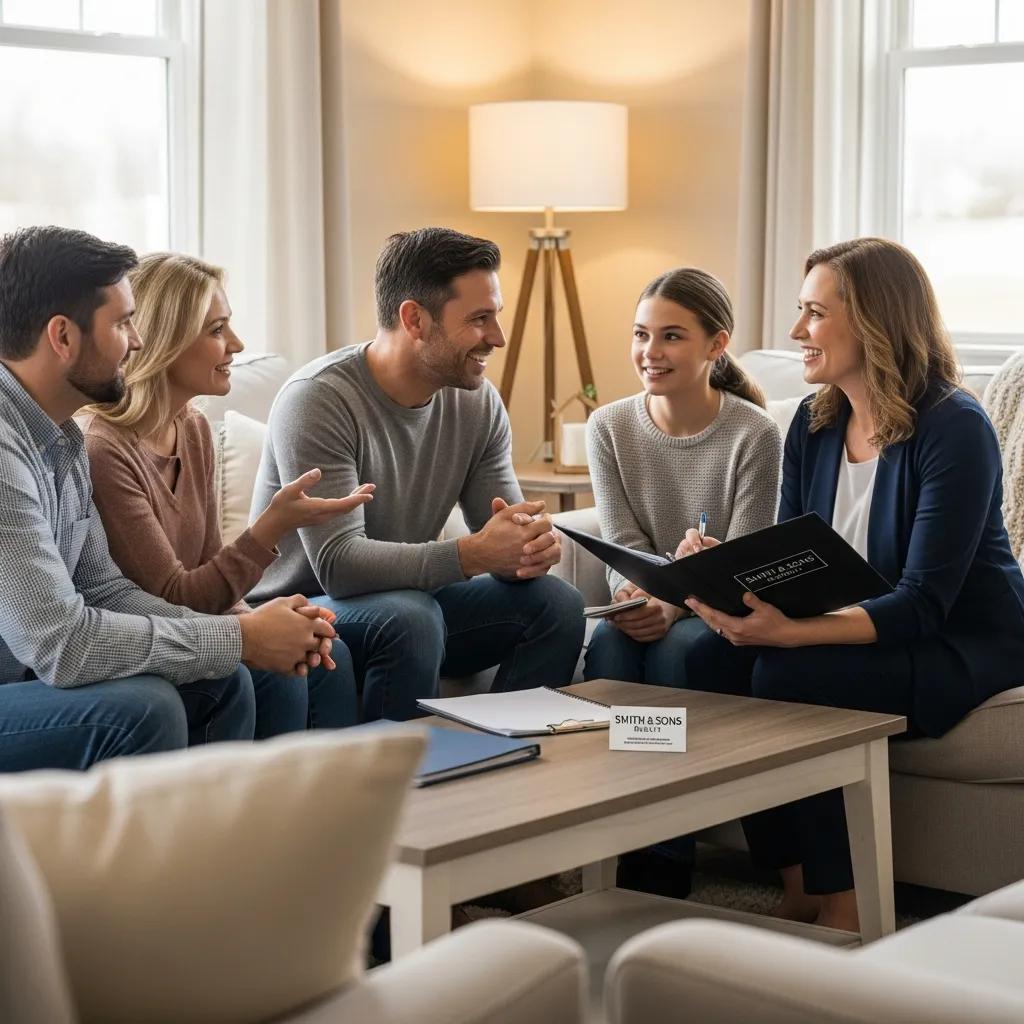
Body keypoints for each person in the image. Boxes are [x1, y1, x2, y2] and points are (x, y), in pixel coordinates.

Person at [680, 237, 1024, 931]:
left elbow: (924, 603)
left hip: (963, 639)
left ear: (872, 321)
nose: (794, 331)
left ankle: (849, 898)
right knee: (702, 658)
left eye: (813, 313)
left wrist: (792, 633)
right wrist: (726, 569)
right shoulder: (813, 421)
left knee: (784, 676)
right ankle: (796, 876)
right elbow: (793, 558)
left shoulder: (955, 427)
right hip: (863, 623)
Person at [0, 226, 339, 771]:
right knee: (143, 708)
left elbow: (103, 588)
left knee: (228, 679)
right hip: (26, 675)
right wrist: (236, 637)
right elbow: (61, 643)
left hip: (30, 674)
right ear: (63, 337)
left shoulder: (58, 437)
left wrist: (237, 635)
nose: (137, 342)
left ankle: (248, 851)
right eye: (123, 323)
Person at [248, 227, 585, 718]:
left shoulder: (477, 401)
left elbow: (503, 529)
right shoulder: (319, 400)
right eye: (479, 319)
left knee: (556, 604)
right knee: (410, 616)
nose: (498, 337)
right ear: (415, 319)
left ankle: (509, 765)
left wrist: (527, 549)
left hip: (411, 602)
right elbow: (341, 565)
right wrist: (474, 553)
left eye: (496, 317)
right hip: (305, 607)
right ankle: (413, 787)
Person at [80, 252, 371, 737]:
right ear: (164, 341)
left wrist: (268, 622)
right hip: (154, 641)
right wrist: (270, 529)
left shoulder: (192, 427)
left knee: (324, 650)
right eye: (217, 330)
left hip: (199, 625)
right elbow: (176, 596)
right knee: (263, 670)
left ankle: (336, 808)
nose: (236, 344)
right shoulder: (102, 448)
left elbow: (212, 575)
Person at [584, 267, 781, 687]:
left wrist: (674, 603)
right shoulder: (607, 427)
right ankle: (607, 755)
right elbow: (622, 543)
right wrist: (632, 599)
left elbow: (745, 562)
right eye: (641, 334)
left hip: (720, 610)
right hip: (647, 599)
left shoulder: (757, 434)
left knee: (680, 649)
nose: (650, 351)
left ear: (717, 344)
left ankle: (688, 757)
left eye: (671, 336)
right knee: (609, 642)